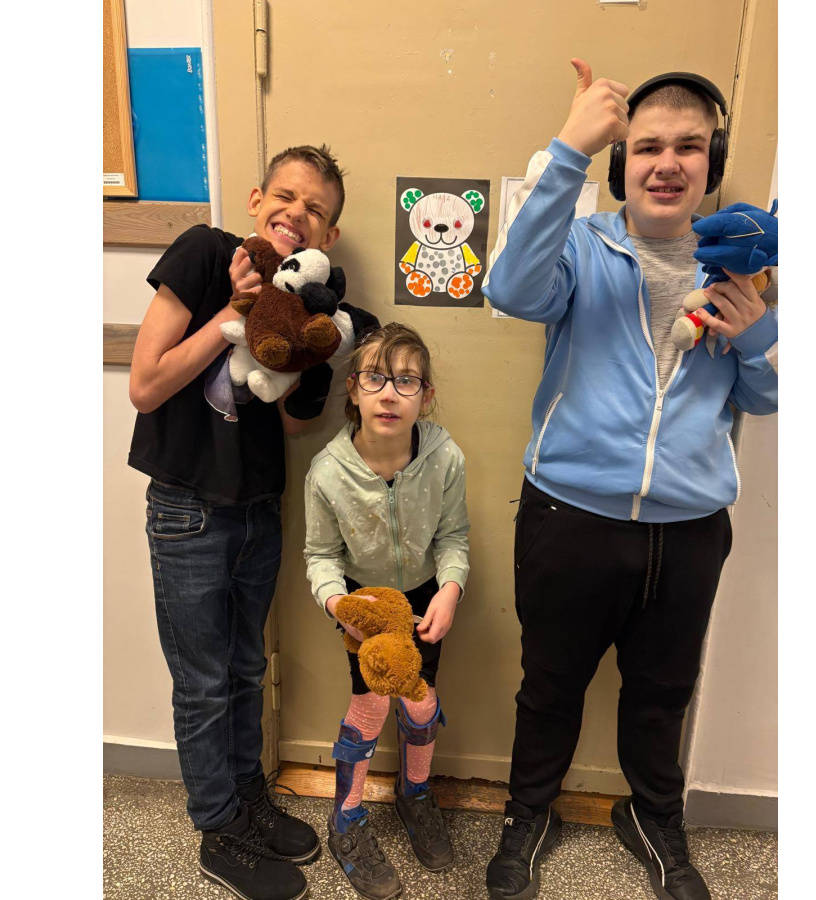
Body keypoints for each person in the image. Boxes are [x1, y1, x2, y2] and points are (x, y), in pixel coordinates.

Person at [481, 60, 778, 900]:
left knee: (662, 695)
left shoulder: (741, 267)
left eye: (689, 146)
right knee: (550, 689)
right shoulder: (580, 246)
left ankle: (653, 818)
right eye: (647, 146)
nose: (667, 163)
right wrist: (567, 151)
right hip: (569, 517)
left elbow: (765, 397)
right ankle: (527, 813)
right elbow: (510, 289)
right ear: (622, 161)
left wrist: (759, 334)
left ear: (712, 163)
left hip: (689, 531)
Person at [128, 145, 352, 900]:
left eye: (315, 210)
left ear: (329, 236)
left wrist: (317, 352)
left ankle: (247, 798)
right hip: (186, 508)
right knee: (202, 682)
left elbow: (290, 423)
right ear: (256, 199)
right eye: (285, 196)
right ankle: (217, 828)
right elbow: (145, 385)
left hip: (259, 505)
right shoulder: (204, 252)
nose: (296, 214)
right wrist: (234, 310)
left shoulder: (309, 291)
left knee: (247, 668)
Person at [303, 322, 471, 900]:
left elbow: (454, 537)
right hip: (366, 607)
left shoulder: (445, 458)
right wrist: (339, 604)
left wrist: (450, 589)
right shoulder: (328, 471)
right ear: (353, 389)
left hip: (426, 597)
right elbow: (320, 555)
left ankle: (414, 793)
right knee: (371, 704)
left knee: (421, 703)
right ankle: (346, 819)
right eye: (374, 378)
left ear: (426, 396)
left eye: (406, 381)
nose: (389, 393)